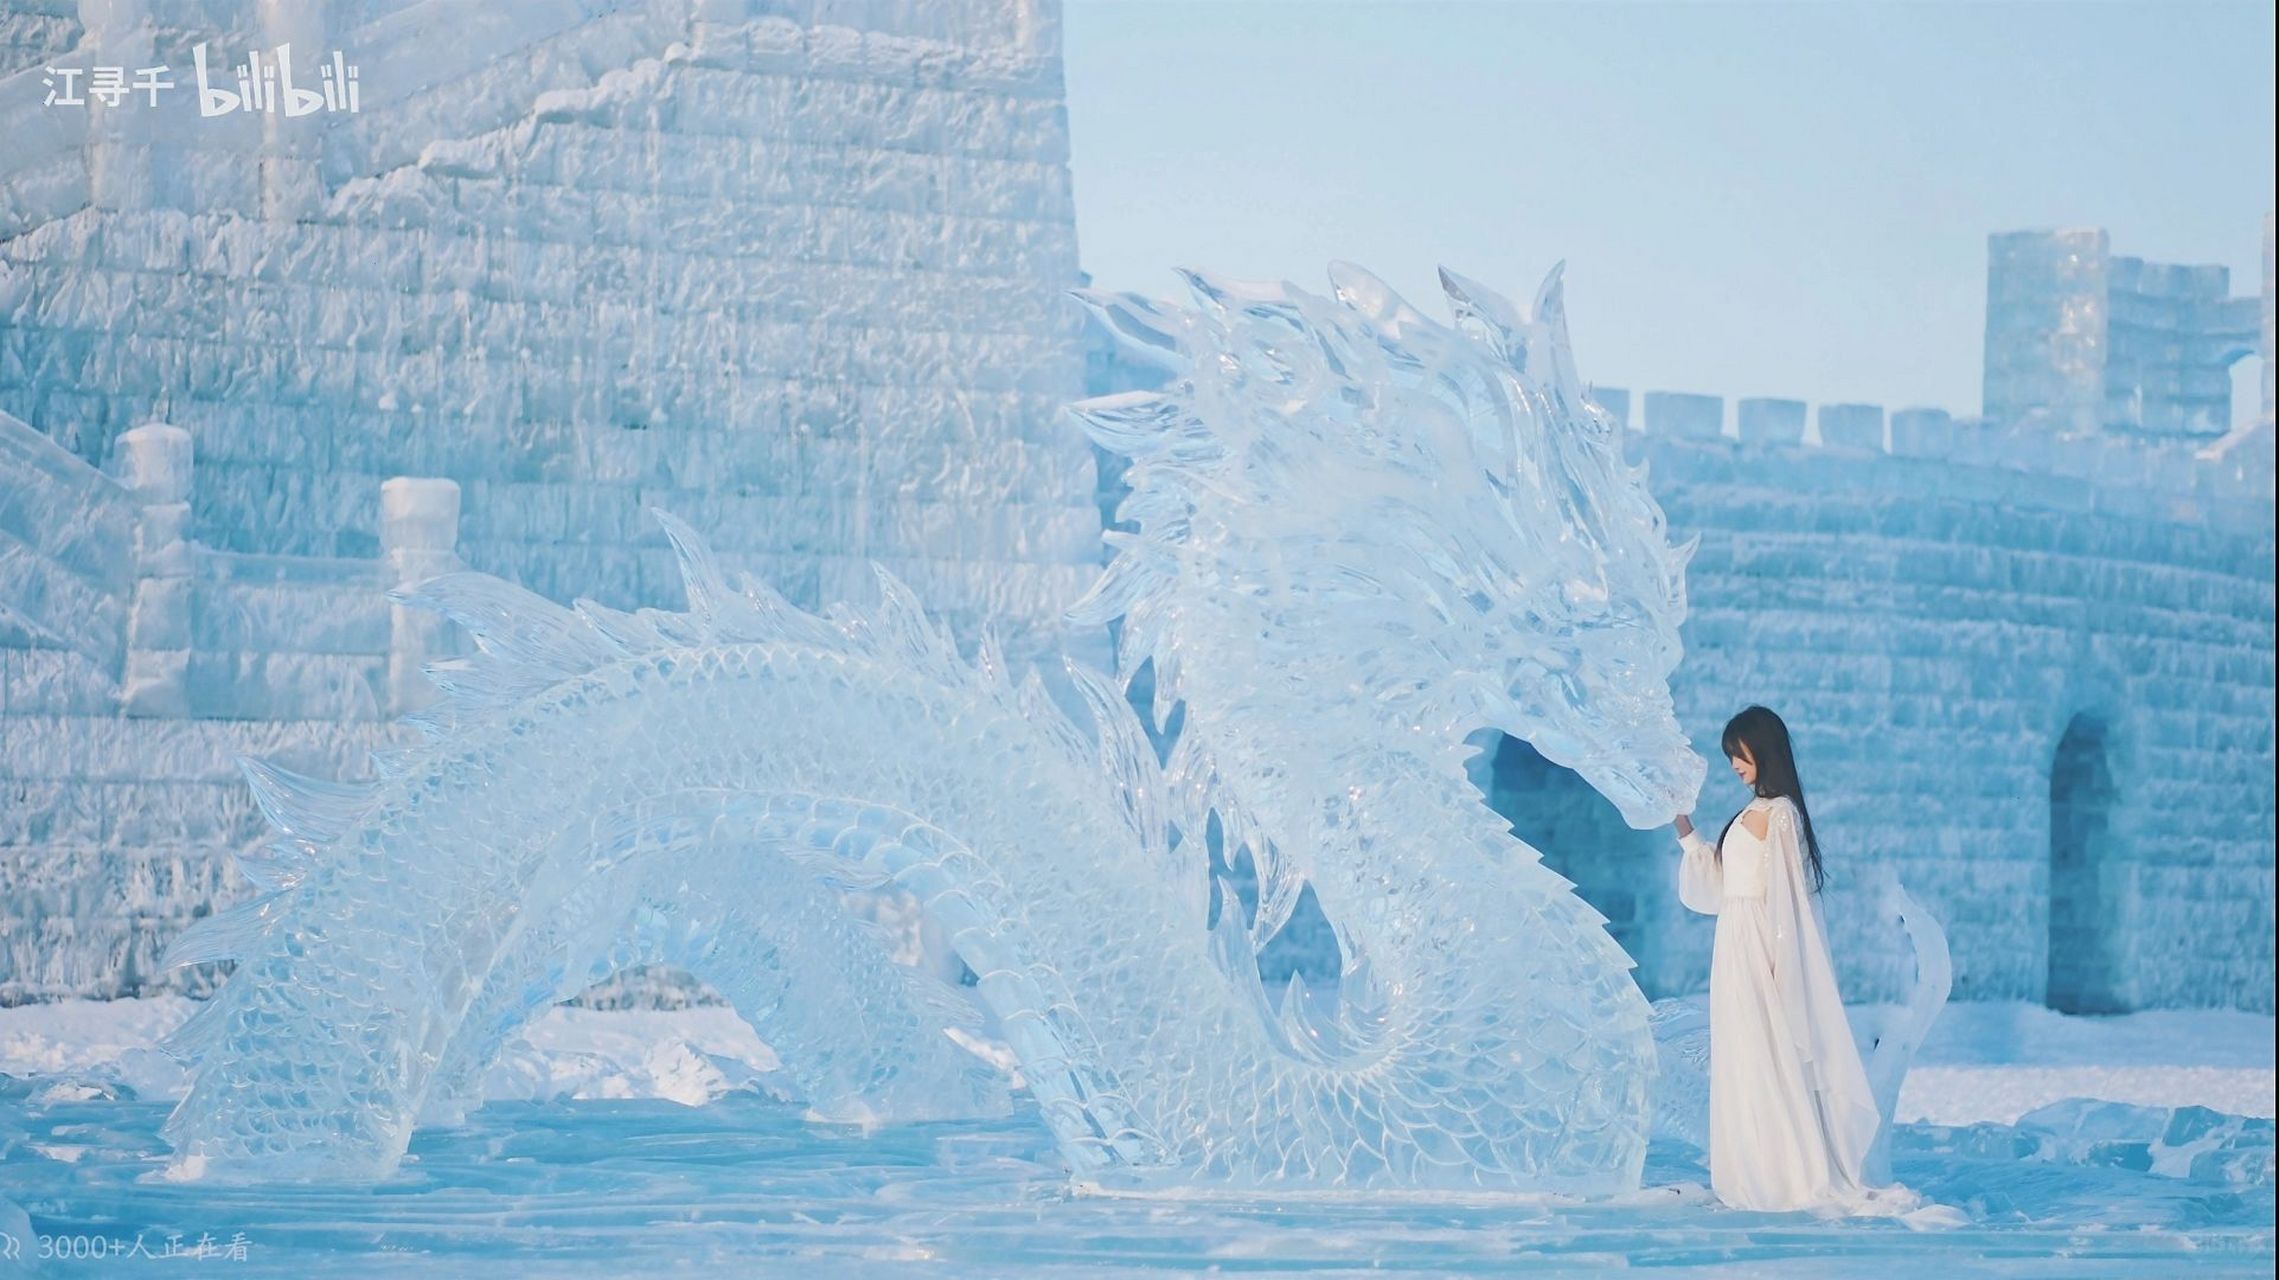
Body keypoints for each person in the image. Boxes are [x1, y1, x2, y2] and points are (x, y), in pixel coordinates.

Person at [1673, 705, 1882, 1213]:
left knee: (1768, 1053)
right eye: (1729, 757)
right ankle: (1751, 1168)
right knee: (1744, 1056)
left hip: (1760, 947)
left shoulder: (1781, 814)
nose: (1733, 765)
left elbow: (1787, 897)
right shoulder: (1753, 812)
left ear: (1762, 747)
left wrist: (1780, 962)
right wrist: (1682, 825)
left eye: (1738, 754)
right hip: (1736, 945)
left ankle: (1784, 1173)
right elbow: (1720, 887)